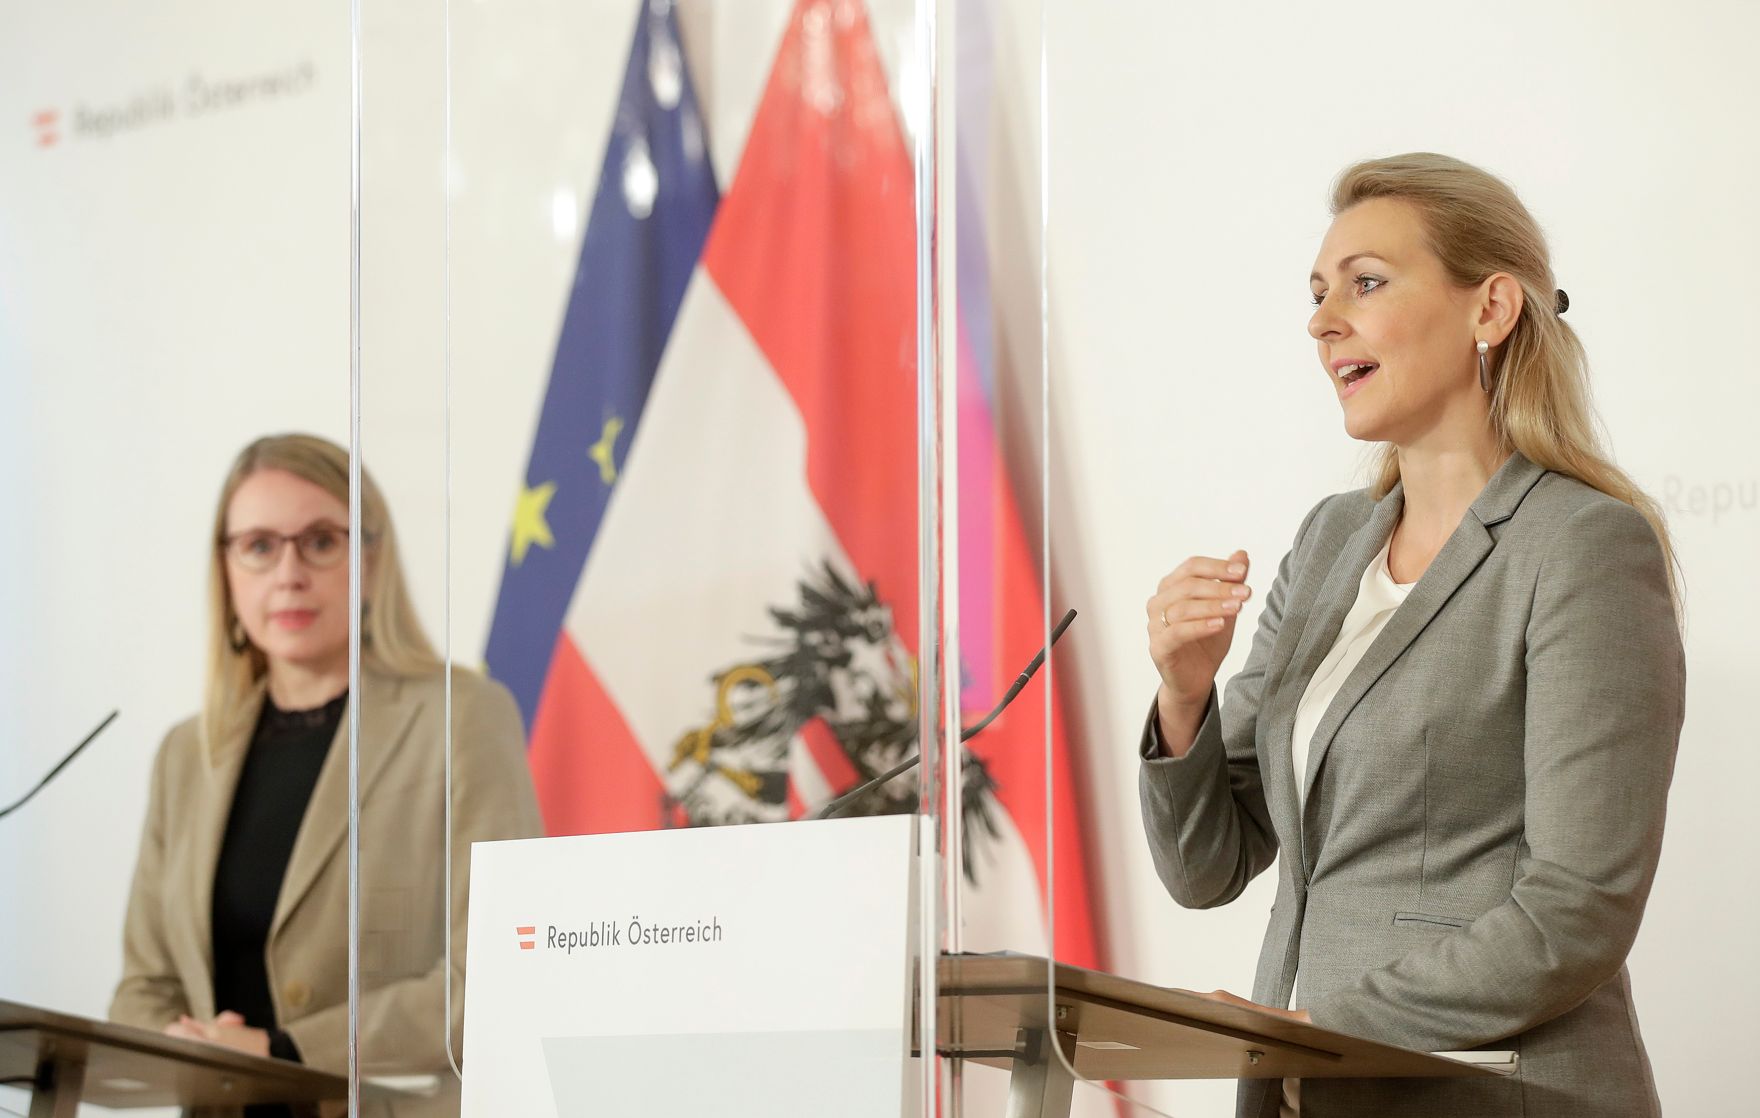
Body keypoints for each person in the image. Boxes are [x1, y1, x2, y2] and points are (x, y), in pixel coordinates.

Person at [1139, 153, 1683, 1118]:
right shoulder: (1330, 540)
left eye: (1367, 282)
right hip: (1310, 1090)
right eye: (1316, 293)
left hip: (1488, 1095)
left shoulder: (1583, 545)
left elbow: (1579, 908)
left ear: (1492, 309)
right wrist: (1184, 692)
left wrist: (1320, 1033)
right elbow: (1207, 868)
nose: (1321, 320)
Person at [110, 433, 543, 1117]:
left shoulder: (464, 717)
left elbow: (497, 974)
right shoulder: (185, 756)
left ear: (372, 559)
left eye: (319, 541)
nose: (287, 573)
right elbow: (144, 987)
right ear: (225, 569)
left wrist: (284, 1052)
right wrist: (186, 1046)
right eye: (257, 545)